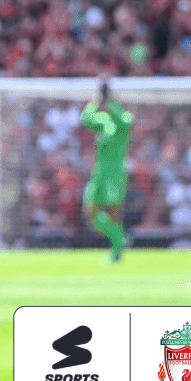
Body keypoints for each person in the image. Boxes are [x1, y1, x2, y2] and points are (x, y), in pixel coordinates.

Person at [82, 77, 133, 262]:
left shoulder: (123, 121)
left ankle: (117, 252)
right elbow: (85, 118)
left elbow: (124, 121)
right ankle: (119, 239)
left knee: (114, 210)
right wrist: (95, 102)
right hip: (100, 171)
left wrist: (110, 103)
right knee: (91, 210)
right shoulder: (103, 120)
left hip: (116, 172)